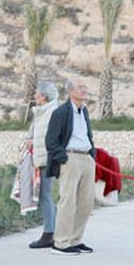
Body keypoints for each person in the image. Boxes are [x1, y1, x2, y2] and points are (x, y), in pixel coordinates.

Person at [45, 79, 99, 254]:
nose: (84, 90)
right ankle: (60, 243)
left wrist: (92, 155)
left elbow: (87, 135)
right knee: (67, 201)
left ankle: (75, 239)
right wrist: (64, 158)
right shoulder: (61, 112)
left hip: (86, 158)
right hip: (70, 158)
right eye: (80, 88)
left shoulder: (84, 112)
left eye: (85, 87)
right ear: (70, 92)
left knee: (86, 202)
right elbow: (51, 141)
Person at [27, 81, 61, 249]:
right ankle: (53, 230)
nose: (35, 96)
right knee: (45, 195)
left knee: (44, 195)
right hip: (42, 158)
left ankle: (49, 233)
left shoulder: (51, 112)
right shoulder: (44, 112)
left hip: (46, 159)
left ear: (44, 96)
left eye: (37, 94)